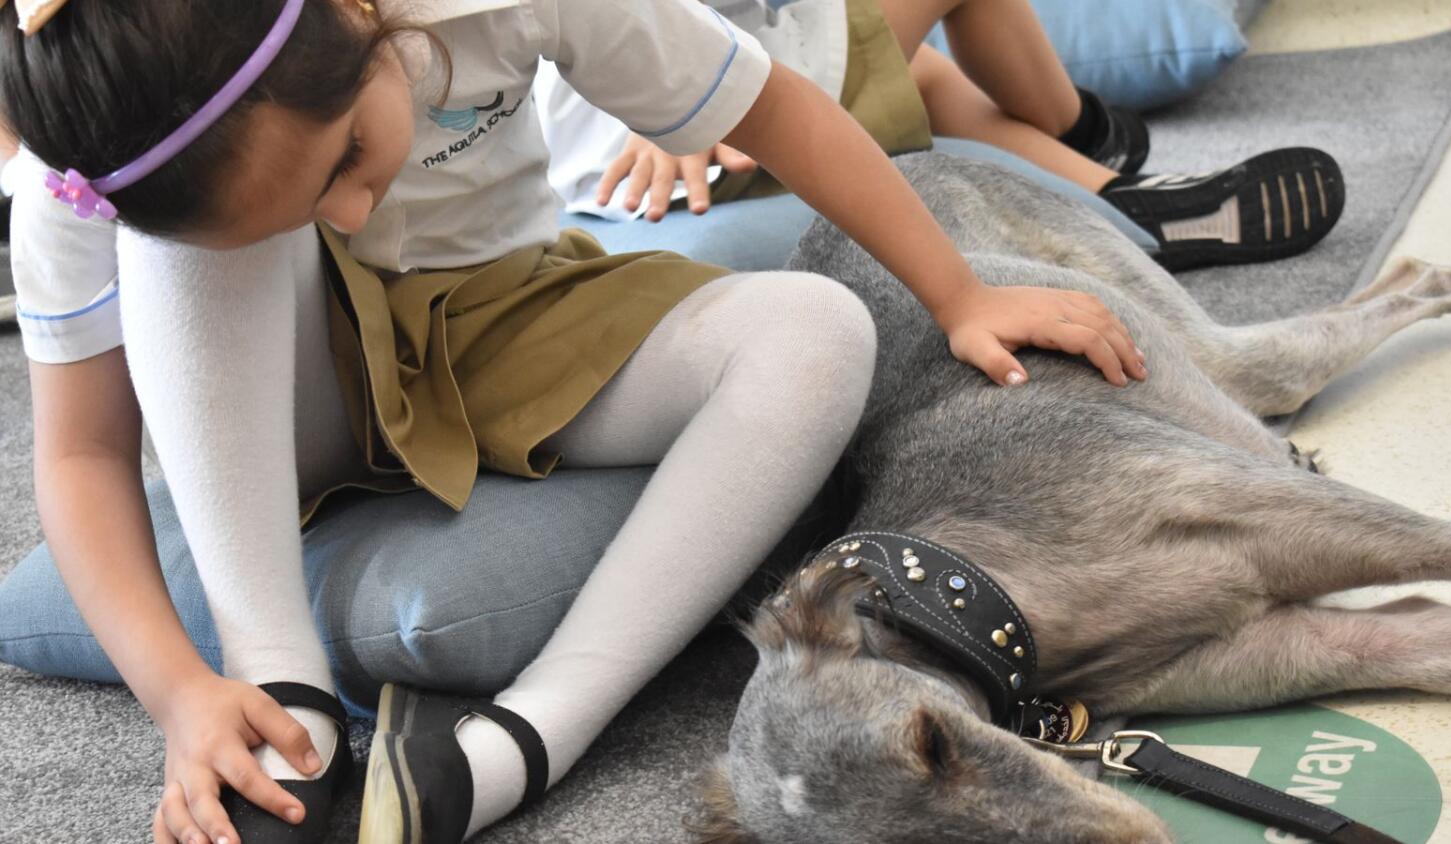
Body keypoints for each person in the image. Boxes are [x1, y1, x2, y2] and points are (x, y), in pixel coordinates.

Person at [1, 0, 1148, 842]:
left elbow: (774, 105)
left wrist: (958, 294)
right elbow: (83, 450)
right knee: (183, 241)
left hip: (504, 318)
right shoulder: (95, 153)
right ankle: (281, 687)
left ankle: (532, 736)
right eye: (306, 203)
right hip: (289, 405)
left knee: (819, 331)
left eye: (350, 153)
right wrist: (181, 690)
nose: (353, 211)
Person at [546, 0, 1345, 272]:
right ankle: (1084, 133)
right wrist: (673, 108)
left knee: (918, 79)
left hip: (673, 116)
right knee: (900, 52)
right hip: (677, 148)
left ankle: (1120, 203)